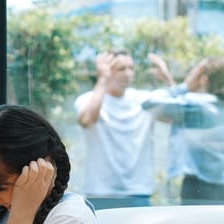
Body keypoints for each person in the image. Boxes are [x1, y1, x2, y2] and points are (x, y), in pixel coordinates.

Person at [74, 50, 174, 210]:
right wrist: (102, 79)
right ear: (107, 71)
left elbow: (177, 115)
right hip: (100, 194)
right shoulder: (88, 99)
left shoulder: (143, 100)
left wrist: (167, 79)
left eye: (131, 68)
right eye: (121, 69)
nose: (128, 74)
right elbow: (86, 120)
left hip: (138, 194)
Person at [143, 57, 224, 205]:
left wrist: (185, 85)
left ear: (205, 79)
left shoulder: (197, 105)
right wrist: (168, 79)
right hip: (221, 188)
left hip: (197, 188)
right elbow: (185, 108)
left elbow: (148, 104)